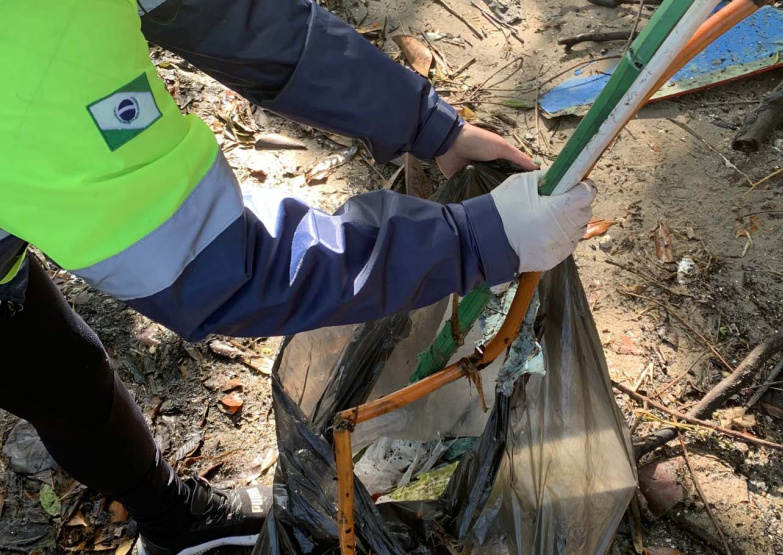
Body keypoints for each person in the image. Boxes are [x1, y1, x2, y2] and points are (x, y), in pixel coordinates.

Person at [0, 1, 596, 554]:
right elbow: (213, 269)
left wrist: (427, 125)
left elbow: (237, 19)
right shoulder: (28, 62)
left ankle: (173, 519)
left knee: (61, 372)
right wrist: (472, 241)